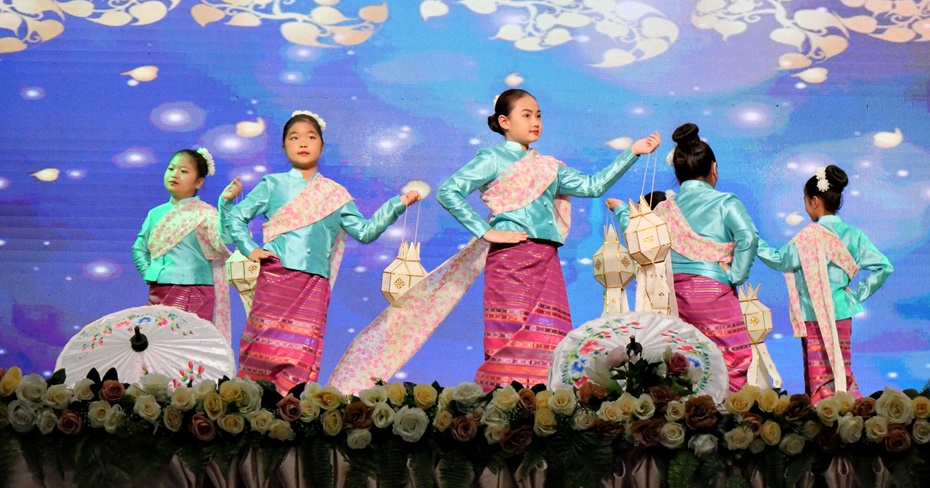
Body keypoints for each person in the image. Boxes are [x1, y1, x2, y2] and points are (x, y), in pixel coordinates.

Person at [436, 88, 660, 389]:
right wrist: (486, 231)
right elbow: (448, 191)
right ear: (504, 121)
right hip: (510, 260)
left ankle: (547, 405)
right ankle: (502, 405)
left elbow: (593, 186)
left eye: (538, 116)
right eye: (526, 115)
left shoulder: (549, 167)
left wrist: (632, 152)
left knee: (551, 340)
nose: (535, 122)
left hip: (546, 261)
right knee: (509, 339)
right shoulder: (492, 158)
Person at [220, 110, 420, 394]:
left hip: (313, 285)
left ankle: (292, 409)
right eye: (294, 137)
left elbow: (365, 232)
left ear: (322, 146)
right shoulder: (272, 184)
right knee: (261, 348)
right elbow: (236, 217)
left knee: (301, 354)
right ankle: (252, 406)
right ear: (284, 146)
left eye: (311, 137)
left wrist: (397, 205)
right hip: (275, 279)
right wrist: (250, 249)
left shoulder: (335, 194)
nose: (303, 142)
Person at [609, 123, 758, 392]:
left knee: (685, 365)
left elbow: (639, 234)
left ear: (678, 174)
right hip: (714, 294)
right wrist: (736, 275)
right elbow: (748, 237)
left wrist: (621, 209)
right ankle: (729, 414)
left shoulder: (665, 209)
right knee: (731, 360)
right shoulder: (725, 202)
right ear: (714, 168)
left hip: (675, 297)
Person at [757, 164, 892, 402]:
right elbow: (884, 267)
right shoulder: (854, 235)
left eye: (805, 200)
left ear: (815, 201)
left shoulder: (807, 237)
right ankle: (850, 414)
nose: (805, 206)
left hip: (812, 316)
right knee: (842, 372)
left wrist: (753, 241)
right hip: (841, 313)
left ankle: (824, 417)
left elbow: (779, 260)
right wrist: (854, 296)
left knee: (819, 379)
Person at [131, 148, 231, 342]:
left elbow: (223, 240)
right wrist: (151, 273)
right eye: (171, 168)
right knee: (158, 345)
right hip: (159, 290)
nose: (175, 174)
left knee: (188, 347)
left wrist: (225, 204)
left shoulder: (206, 214)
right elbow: (139, 248)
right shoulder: (155, 213)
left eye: (184, 171)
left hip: (195, 290)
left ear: (199, 182)